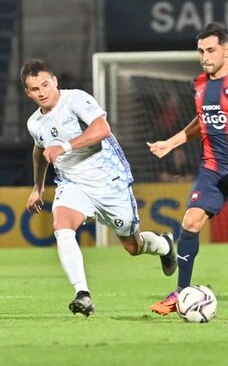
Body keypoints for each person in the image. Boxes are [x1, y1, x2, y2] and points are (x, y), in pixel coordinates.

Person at [21, 59, 176, 317]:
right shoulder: (34, 123)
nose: (42, 91)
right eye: (35, 88)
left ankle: (164, 245)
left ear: (55, 81)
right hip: (73, 184)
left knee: (132, 247)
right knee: (62, 226)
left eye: (45, 84)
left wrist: (65, 146)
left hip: (109, 182)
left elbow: (102, 129)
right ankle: (83, 294)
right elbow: (39, 150)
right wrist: (37, 187)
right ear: (28, 93)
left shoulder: (75, 100)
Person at [148, 23, 228, 322]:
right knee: (190, 222)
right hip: (212, 168)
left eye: (211, 50)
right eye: (201, 51)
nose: (205, 57)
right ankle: (180, 292)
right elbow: (201, 119)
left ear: (226, 50)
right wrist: (173, 141)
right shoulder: (198, 85)